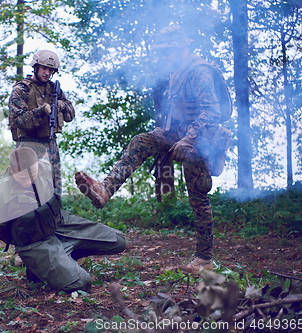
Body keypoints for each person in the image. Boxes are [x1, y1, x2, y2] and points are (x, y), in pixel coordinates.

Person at [75, 25, 232, 274]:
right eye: (161, 52)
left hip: (203, 140)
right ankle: (105, 189)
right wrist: (163, 131)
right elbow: (176, 111)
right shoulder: (175, 72)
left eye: (167, 52)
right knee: (141, 141)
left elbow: (212, 111)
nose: (163, 57)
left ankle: (204, 258)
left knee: (198, 196)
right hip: (180, 135)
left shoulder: (199, 70)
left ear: (180, 48)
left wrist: (189, 139)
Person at [0, 147, 126, 292]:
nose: (28, 181)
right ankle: (38, 267)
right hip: (35, 243)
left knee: (118, 241)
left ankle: (62, 259)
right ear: (11, 170)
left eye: (32, 175)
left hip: (60, 225)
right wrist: (24, 242)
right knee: (82, 283)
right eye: (23, 177)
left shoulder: (46, 168)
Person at [8, 50, 75, 196]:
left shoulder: (54, 89)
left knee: (54, 186)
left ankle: (55, 216)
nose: (47, 73)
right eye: (44, 68)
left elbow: (70, 115)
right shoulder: (21, 89)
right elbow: (20, 120)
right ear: (36, 67)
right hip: (28, 145)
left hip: (50, 143)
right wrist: (42, 110)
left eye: (50, 70)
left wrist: (62, 106)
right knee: (27, 189)